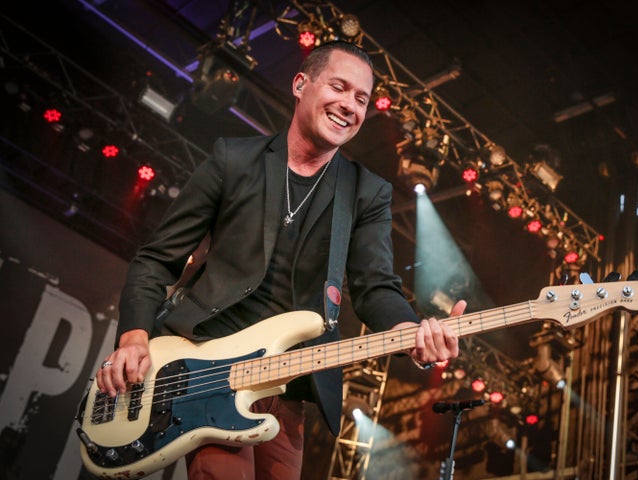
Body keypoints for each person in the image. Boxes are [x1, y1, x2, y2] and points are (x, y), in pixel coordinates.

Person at [96, 40, 463, 480]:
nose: (349, 106)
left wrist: (410, 331)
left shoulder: (367, 192)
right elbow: (158, 258)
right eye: (339, 88)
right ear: (300, 84)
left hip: (288, 381)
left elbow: (375, 287)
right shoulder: (234, 159)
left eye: (361, 99)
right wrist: (134, 337)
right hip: (209, 364)